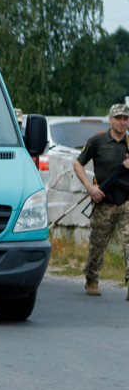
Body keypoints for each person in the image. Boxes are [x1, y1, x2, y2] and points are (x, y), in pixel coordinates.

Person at [74, 103, 129, 298]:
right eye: (118, 118)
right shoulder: (98, 141)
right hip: (103, 201)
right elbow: (78, 164)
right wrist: (90, 187)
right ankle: (91, 278)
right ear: (111, 119)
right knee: (97, 244)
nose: (122, 122)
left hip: (126, 203)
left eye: (125, 119)